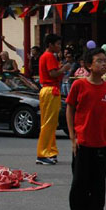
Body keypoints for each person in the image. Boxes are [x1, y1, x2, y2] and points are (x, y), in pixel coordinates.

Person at [66, 48, 106, 210]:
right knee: (79, 180)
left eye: (105, 60)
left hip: (103, 141)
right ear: (89, 65)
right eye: (99, 61)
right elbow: (70, 109)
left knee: (98, 181)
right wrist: (73, 137)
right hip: (82, 141)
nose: (103, 64)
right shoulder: (79, 85)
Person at [36, 34, 72, 165]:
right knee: (48, 123)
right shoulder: (49, 56)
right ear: (50, 45)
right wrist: (64, 69)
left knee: (50, 123)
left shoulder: (47, 56)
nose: (59, 46)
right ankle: (43, 153)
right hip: (50, 90)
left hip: (49, 90)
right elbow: (53, 74)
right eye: (57, 44)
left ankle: (50, 151)